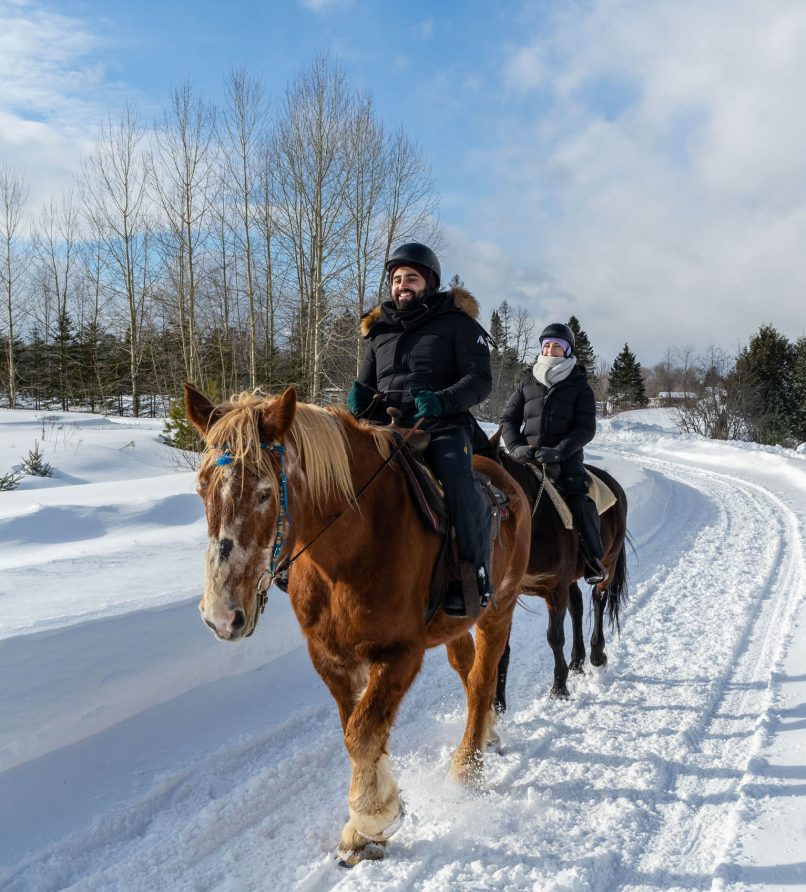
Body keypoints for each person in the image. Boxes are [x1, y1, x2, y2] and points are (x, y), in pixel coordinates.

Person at [347, 242, 493, 617]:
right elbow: (366, 382)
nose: (402, 285)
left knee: (457, 481)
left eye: (411, 277)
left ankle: (470, 575)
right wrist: (358, 399)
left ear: (429, 281)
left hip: (441, 425)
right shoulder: (379, 329)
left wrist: (443, 400)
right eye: (396, 279)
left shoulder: (457, 324)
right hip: (385, 428)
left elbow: (480, 380)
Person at [500, 322, 607, 584]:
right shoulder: (528, 382)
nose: (550, 349)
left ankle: (594, 559)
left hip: (564, 459)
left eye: (556, 346)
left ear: (567, 351)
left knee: (580, 499)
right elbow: (507, 420)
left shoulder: (579, 385)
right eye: (546, 345)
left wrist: (559, 452)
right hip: (527, 457)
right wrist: (515, 447)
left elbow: (585, 427)